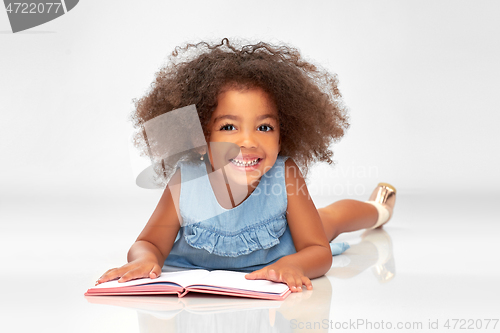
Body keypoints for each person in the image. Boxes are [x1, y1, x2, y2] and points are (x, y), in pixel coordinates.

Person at [96, 38, 396, 292]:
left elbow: (318, 252)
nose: (248, 142)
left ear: (283, 133)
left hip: (283, 245)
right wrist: (144, 258)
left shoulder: (285, 174)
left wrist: (290, 264)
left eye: (264, 128)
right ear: (201, 136)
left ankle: (380, 209)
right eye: (229, 127)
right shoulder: (185, 181)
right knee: (323, 219)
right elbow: (149, 242)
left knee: (329, 220)